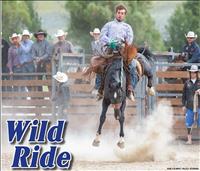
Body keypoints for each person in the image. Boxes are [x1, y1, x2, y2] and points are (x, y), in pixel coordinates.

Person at [98, 4, 135, 101]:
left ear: (125, 15)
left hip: (122, 51)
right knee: (100, 64)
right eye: (119, 13)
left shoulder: (127, 27)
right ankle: (99, 88)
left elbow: (130, 40)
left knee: (132, 65)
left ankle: (130, 89)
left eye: (122, 13)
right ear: (116, 13)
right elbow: (102, 36)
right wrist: (110, 41)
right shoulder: (109, 25)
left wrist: (123, 45)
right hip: (110, 49)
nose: (120, 15)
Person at [182, 65, 200, 144]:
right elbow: (184, 95)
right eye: (191, 72)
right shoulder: (187, 83)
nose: (193, 74)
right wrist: (183, 105)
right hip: (189, 106)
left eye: (194, 72)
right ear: (190, 73)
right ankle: (189, 140)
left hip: (199, 105)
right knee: (189, 123)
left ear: (197, 73)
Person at [90, 28, 102, 94]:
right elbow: (93, 52)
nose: (96, 35)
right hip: (95, 60)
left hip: (101, 59)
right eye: (95, 34)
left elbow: (101, 52)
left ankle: (97, 87)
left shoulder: (101, 43)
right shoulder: (92, 43)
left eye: (97, 34)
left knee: (99, 70)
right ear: (93, 35)